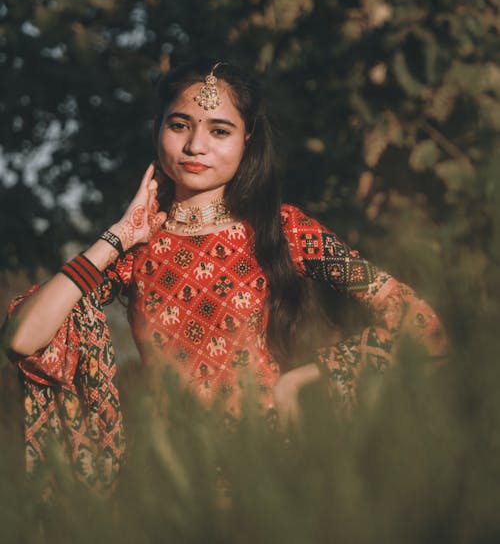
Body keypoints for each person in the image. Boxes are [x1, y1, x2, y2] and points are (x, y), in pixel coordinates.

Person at [4, 57, 447, 489]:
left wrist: (305, 378)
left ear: (247, 139)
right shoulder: (135, 249)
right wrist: (120, 234)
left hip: (270, 473)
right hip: (169, 481)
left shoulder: (285, 230)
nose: (196, 146)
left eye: (219, 130)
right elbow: (23, 337)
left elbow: (420, 323)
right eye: (179, 125)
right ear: (158, 128)